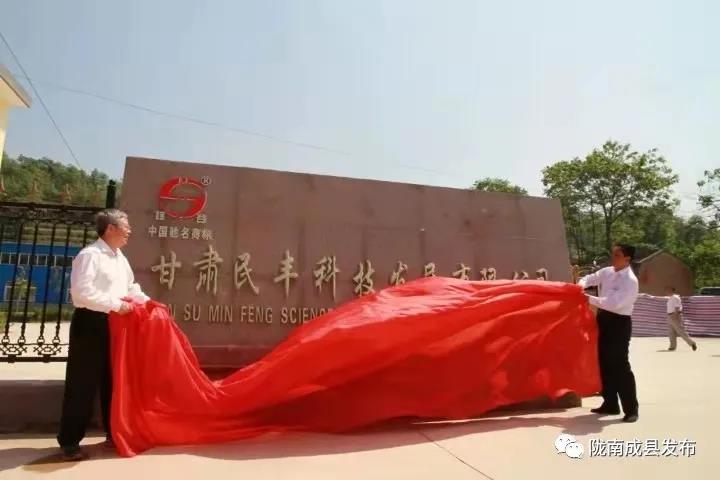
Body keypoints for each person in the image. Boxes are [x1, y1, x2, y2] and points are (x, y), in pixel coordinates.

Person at [57, 209, 149, 461]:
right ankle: (70, 442)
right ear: (110, 229)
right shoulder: (90, 255)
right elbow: (81, 293)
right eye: (125, 226)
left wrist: (148, 303)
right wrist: (116, 305)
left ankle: (113, 433)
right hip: (91, 323)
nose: (129, 230)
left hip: (116, 324)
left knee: (114, 381)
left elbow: (131, 287)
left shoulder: (120, 258)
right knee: (82, 383)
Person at [577, 243, 640, 423]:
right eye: (613, 254)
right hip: (603, 319)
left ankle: (631, 409)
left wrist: (587, 298)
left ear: (627, 258)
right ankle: (610, 403)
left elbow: (614, 304)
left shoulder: (630, 281)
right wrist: (580, 286)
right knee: (603, 363)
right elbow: (589, 278)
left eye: (617, 255)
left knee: (620, 366)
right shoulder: (607, 272)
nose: (613, 257)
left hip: (619, 323)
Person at [640, 287, 697, 352]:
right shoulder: (670, 298)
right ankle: (672, 346)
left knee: (680, 331)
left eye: (668, 290)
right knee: (671, 332)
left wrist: (675, 316)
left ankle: (692, 343)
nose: (667, 292)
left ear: (672, 291)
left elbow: (677, 307)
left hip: (674, 315)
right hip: (669, 316)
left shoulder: (675, 298)